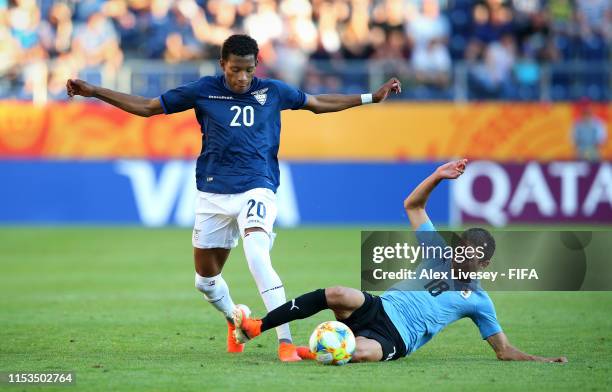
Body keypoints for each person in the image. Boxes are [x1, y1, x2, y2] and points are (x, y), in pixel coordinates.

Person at [65, 34, 401, 362]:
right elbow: (149, 107)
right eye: (235, 70)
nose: (242, 78)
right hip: (213, 193)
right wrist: (95, 91)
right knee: (205, 282)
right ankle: (235, 317)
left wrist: (371, 96)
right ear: (222, 64)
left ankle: (284, 343)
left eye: (248, 70)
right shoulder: (203, 91)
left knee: (257, 256)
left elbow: (317, 102)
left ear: (256, 66)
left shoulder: (272, 91)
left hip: (258, 187)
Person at [233, 159, 568, 363]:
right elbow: (413, 206)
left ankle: (306, 352)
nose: (465, 255)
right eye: (464, 247)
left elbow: (503, 350)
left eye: (474, 254)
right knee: (336, 292)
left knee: (359, 353)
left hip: (395, 338)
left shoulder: (479, 301)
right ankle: (256, 326)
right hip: (378, 307)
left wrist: (542, 360)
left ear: (485, 264)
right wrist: (437, 176)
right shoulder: (438, 253)